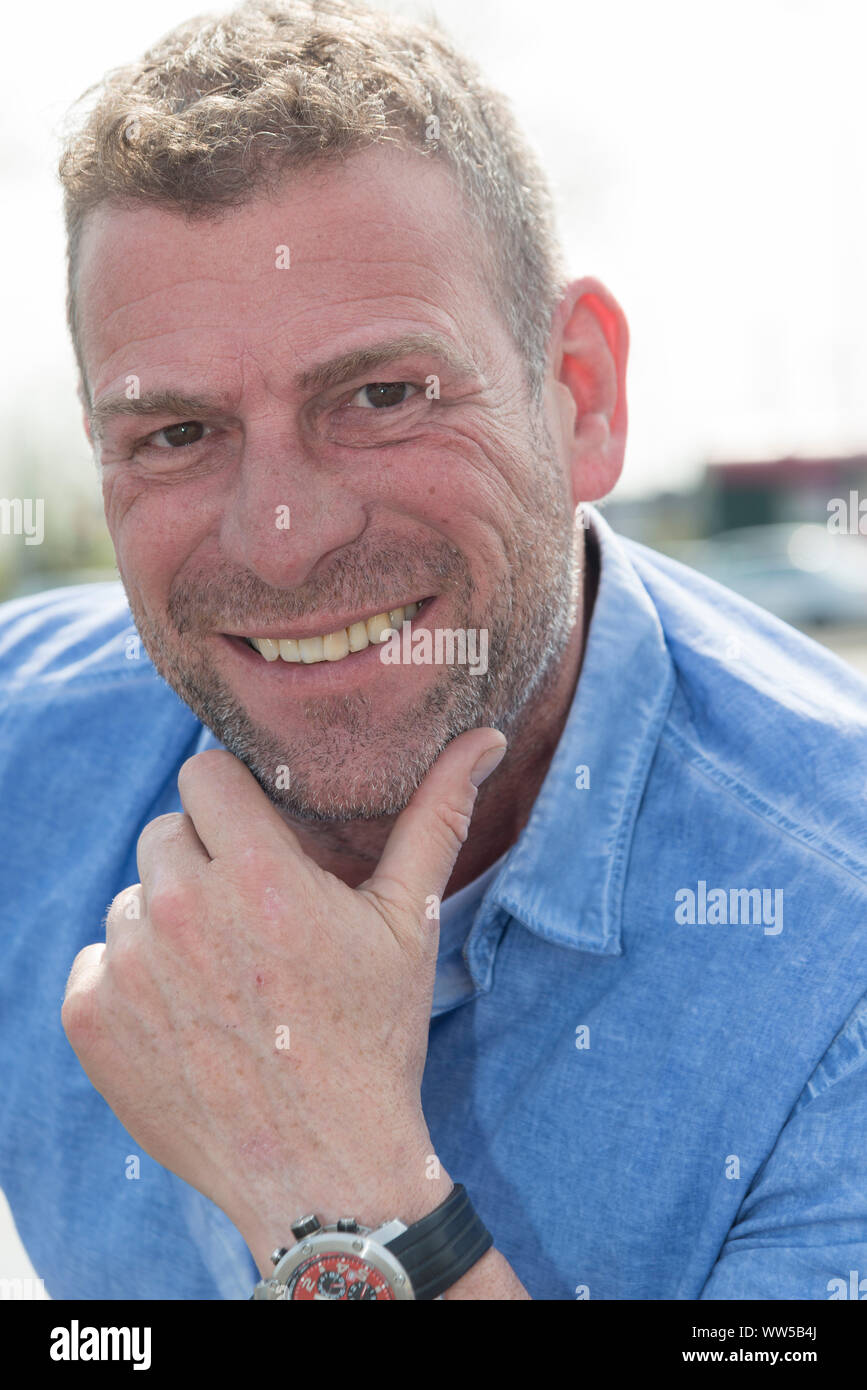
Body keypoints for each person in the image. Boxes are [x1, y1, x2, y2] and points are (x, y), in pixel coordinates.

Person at [1, 0, 865, 1301]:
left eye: (383, 396)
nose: (281, 542)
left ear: (582, 394)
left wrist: (335, 1188)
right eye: (177, 432)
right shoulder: (25, 752)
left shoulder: (834, 957)